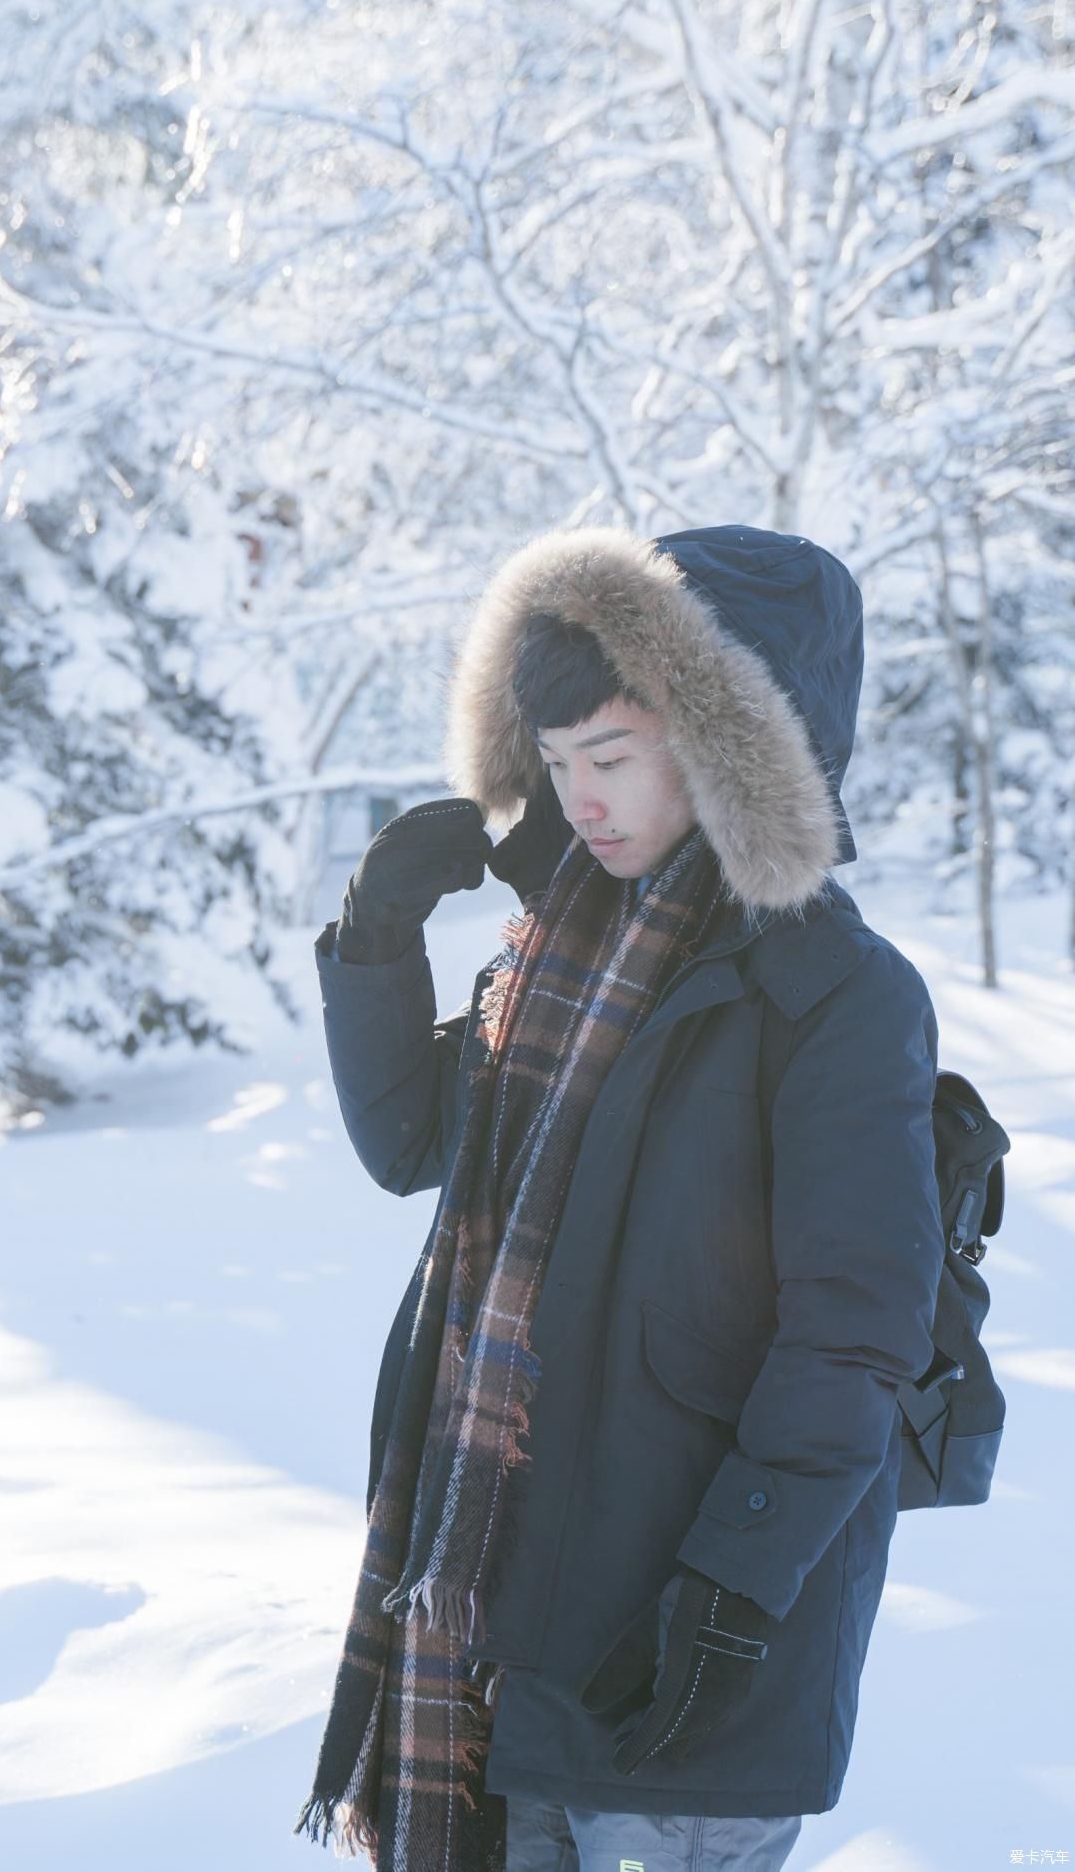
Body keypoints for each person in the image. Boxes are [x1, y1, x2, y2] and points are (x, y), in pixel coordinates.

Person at [295, 525, 944, 1872]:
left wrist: (727, 1600)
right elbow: (412, 1140)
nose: (579, 798)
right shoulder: (557, 954)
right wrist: (375, 942)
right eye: (559, 762)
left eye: (612, 756)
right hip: (515, 1636)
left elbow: (856, 1332)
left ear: (728, 749)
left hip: (687, 1659)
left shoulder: (834, 995)